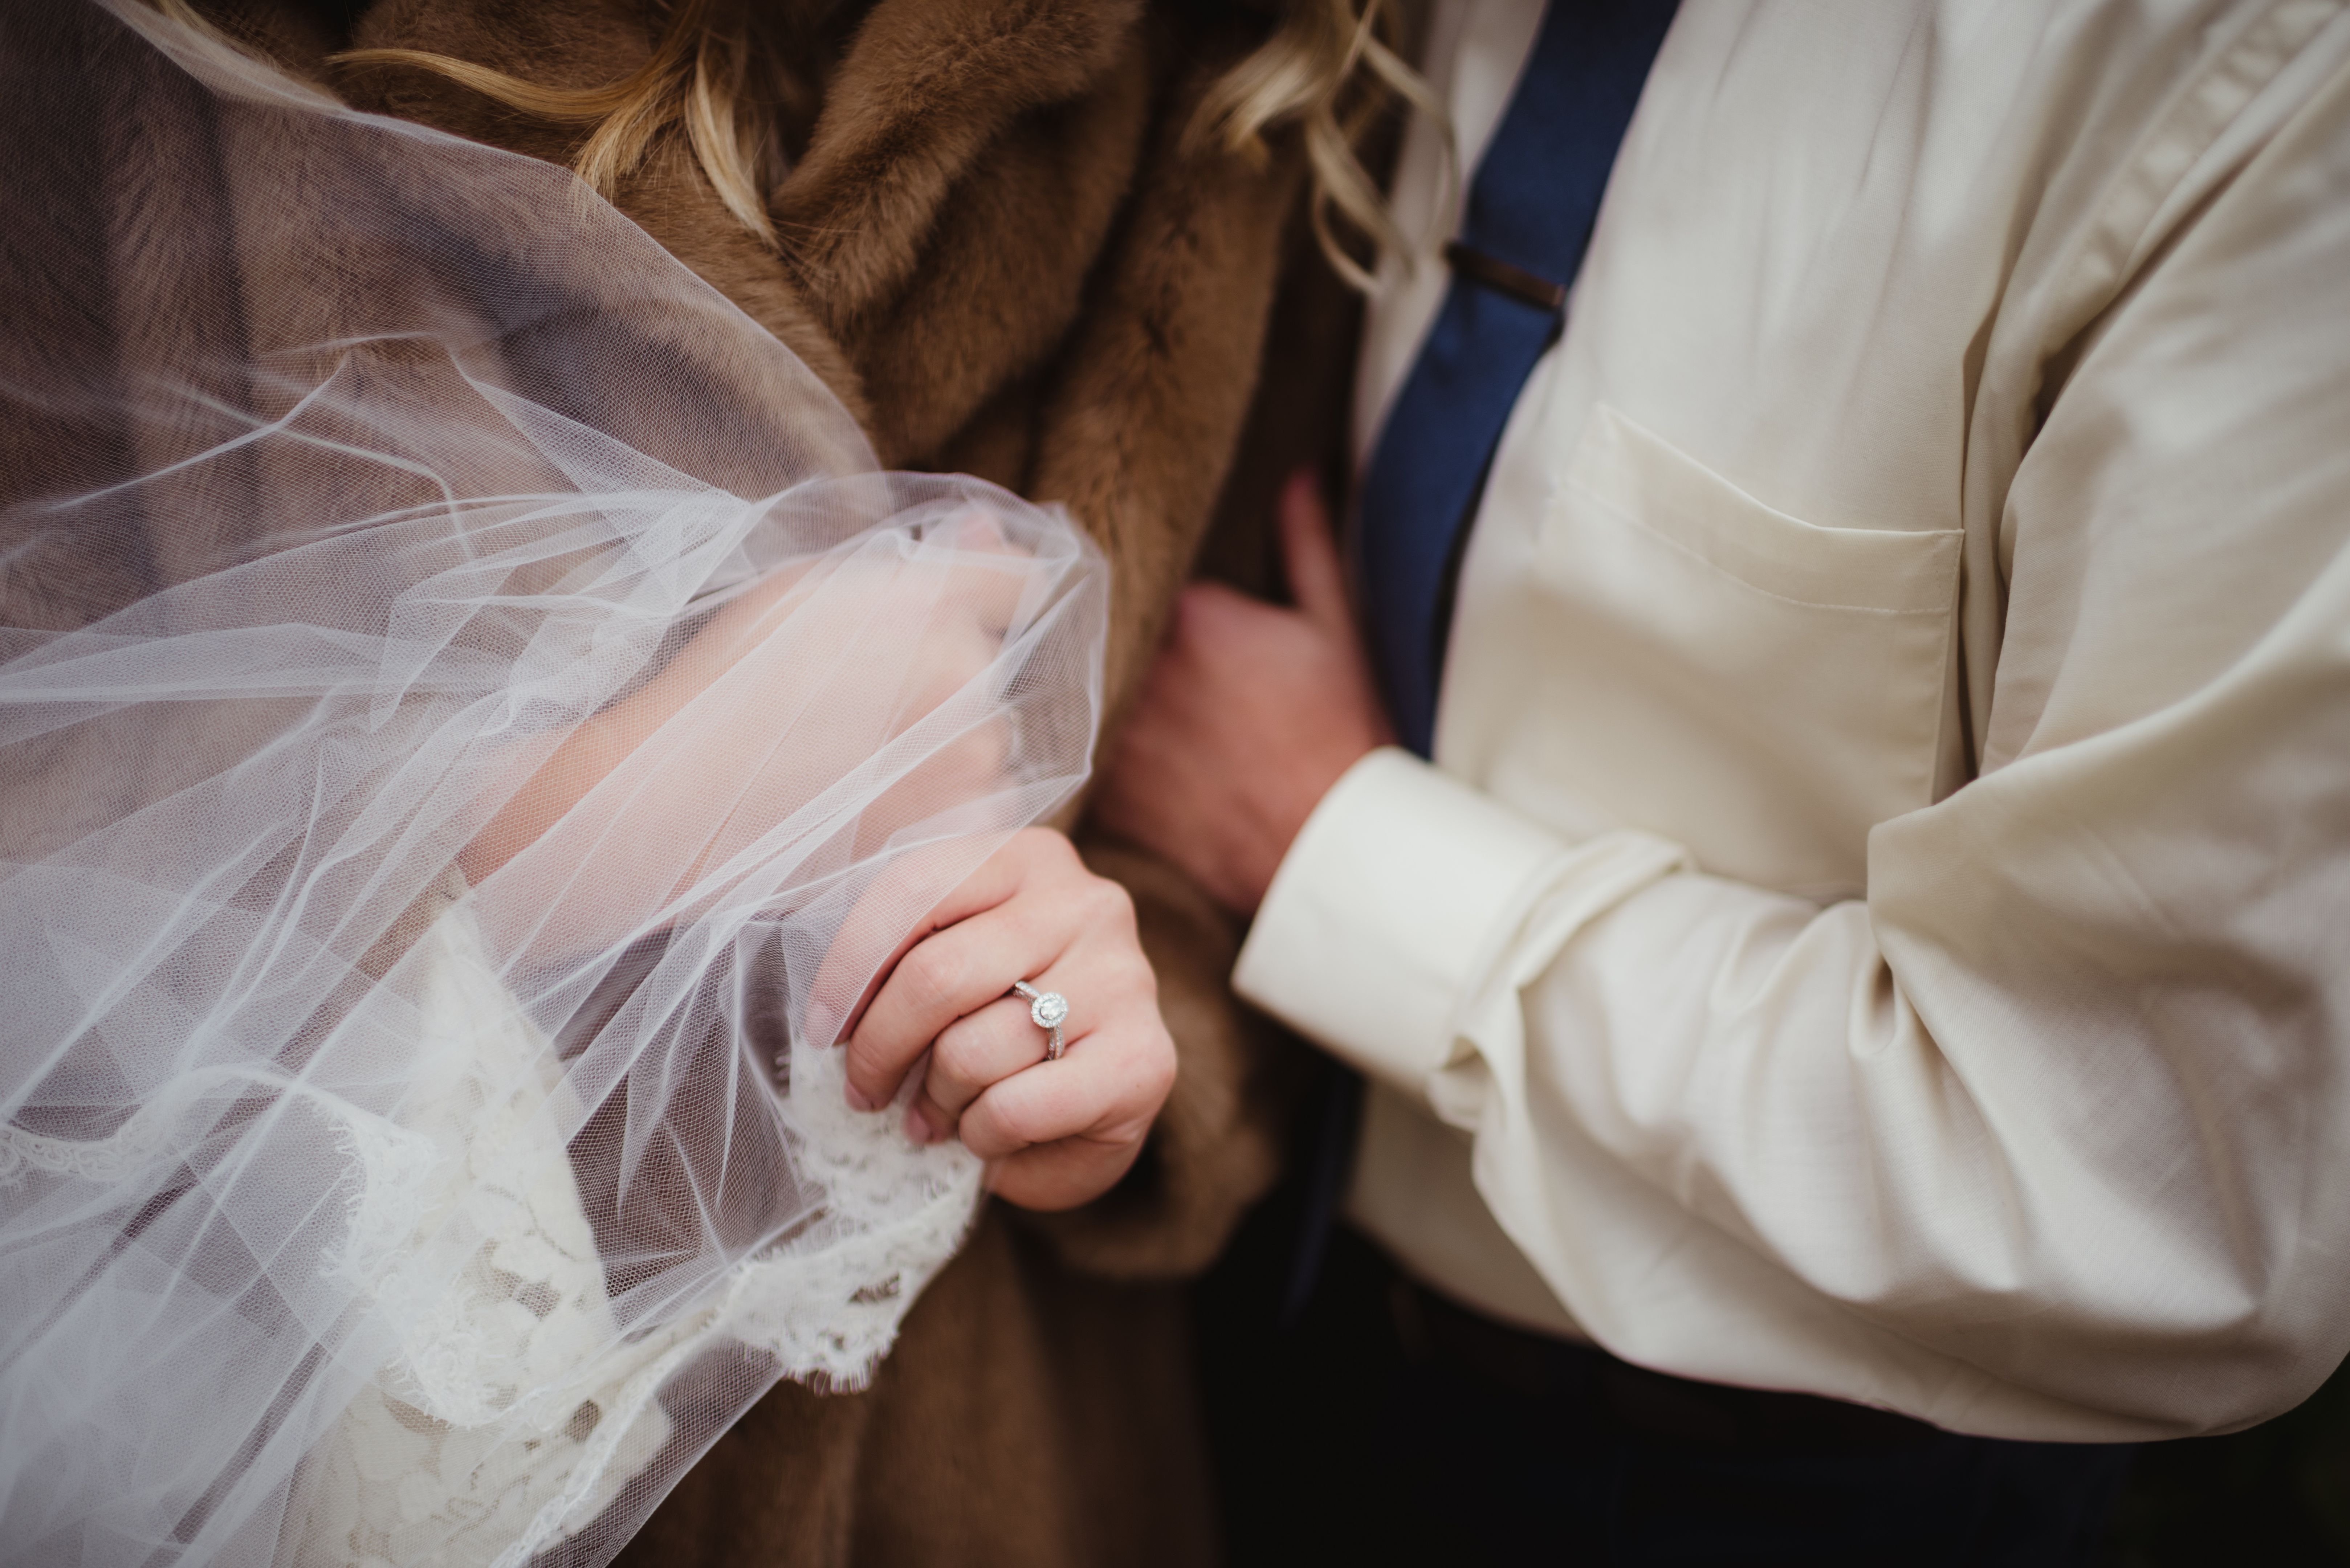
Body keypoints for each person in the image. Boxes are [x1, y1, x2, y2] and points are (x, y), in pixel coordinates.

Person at [1095, 0, 2350, 1560]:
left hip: (1735, 1486)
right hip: (1219, 1311)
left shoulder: (2251, 87)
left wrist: (1323, 842)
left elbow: (2153, 1190)